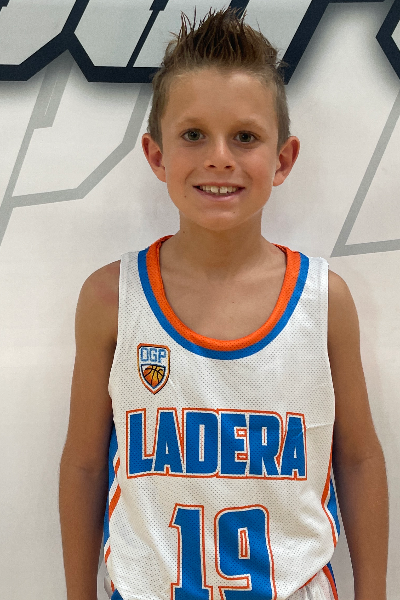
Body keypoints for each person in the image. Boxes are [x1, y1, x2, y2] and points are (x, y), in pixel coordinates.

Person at [59, 8, 388, 600]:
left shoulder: (324, 300)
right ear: (156, 155)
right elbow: (84, 466)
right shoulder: (111, 298)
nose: (219, 157)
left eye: (245, 137)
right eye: (193, 135)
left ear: (282, 159)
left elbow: (359, 460)